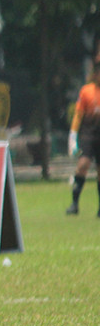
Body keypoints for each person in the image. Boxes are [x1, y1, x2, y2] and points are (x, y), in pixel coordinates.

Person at [66, 65, 100, 215]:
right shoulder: (87, 91)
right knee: (83, 165)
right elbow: (78, 115)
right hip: (88, 134)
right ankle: (74, 204)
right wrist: (73, 137)